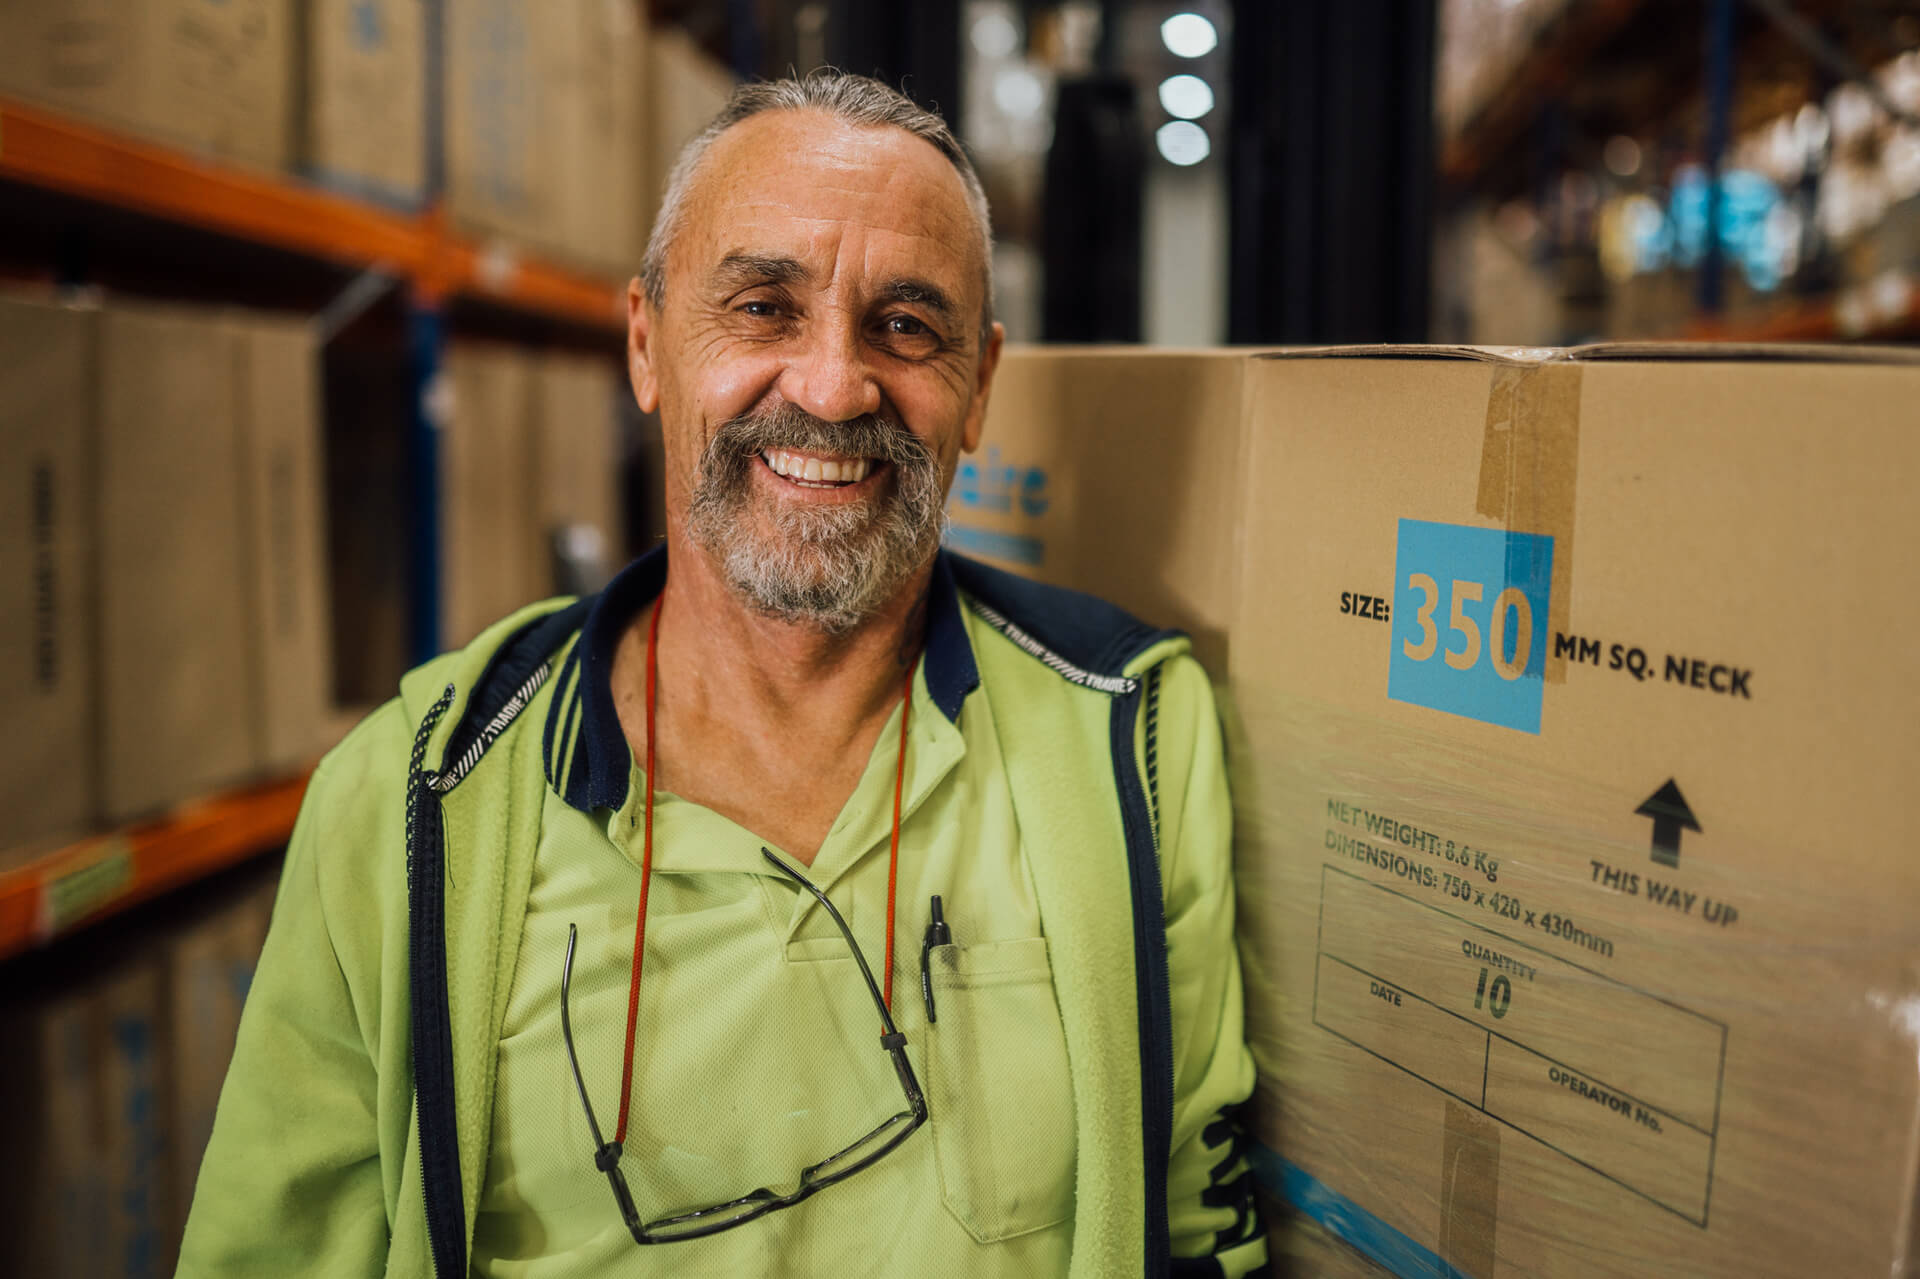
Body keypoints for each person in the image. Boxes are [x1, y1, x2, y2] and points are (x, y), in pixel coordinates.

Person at [179, 72, 1266, 1278]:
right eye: (762, 308)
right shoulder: (411, 795)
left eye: (906, 326)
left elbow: (1198, 1233)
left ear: (980, 389)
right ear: (647, 345)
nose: (831, 386)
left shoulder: (1135, 739)